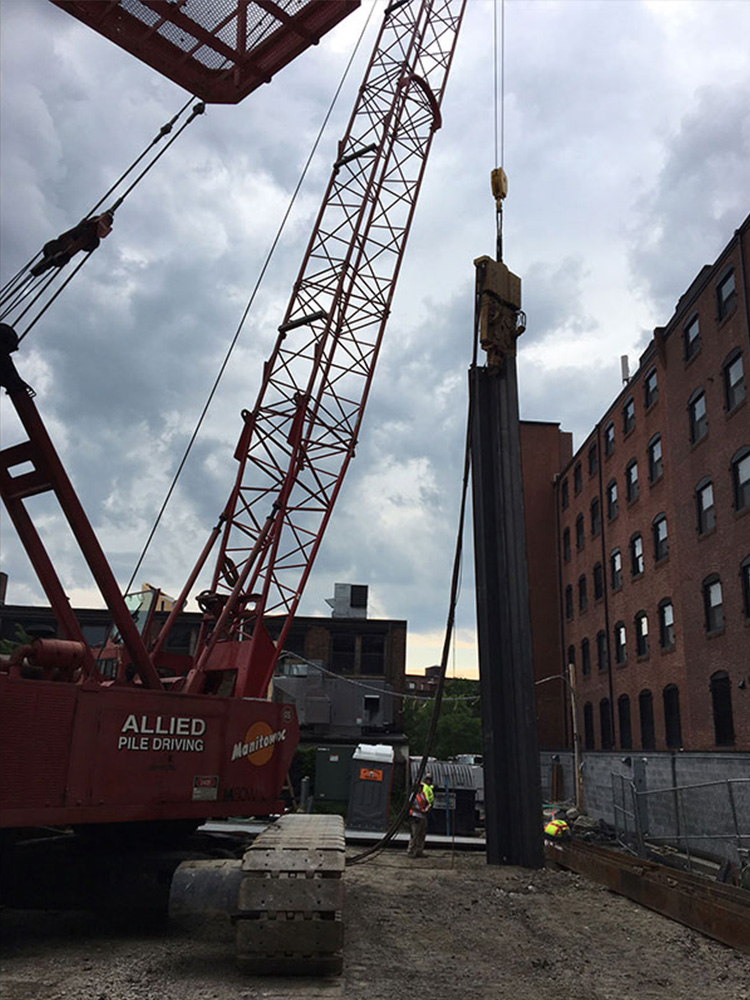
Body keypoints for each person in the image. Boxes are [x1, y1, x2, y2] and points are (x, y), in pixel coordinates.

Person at [407, 772, 434, 858]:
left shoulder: (422, 795)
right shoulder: (413, 796)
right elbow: (411, 806)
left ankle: (419, 851)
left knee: (421, 835)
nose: (421, 788)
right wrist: (421, 810)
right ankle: (411, 851)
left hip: (422, 816)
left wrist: (427, 808)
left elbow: (426, 803)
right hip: (415, 817)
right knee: (414, 834)